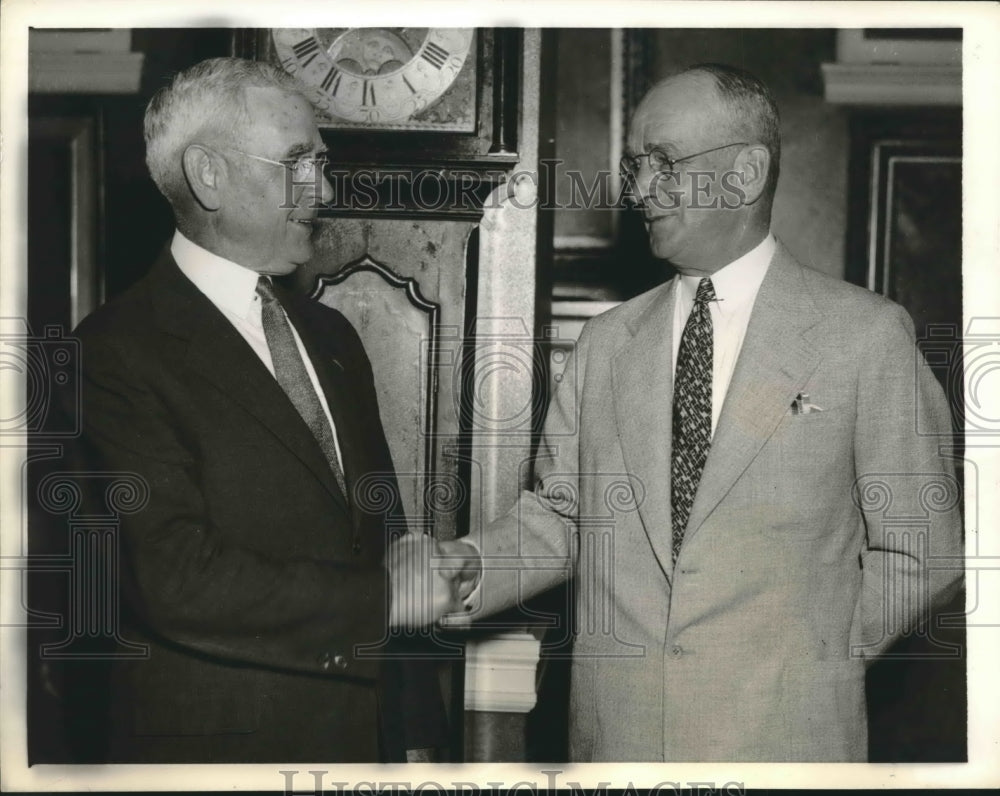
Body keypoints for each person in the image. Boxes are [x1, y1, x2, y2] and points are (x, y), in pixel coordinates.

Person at [459, 63, 963, 761]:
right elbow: (565, 517)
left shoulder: (864, 337)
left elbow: (922, 549)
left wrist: (812, 662)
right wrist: (465, 569)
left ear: (746, 174)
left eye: (663, 162)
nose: (638, 189)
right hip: (616, 748)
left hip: (785, 749)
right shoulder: (607, 344)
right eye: (636, 166)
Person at [69, 57, 466, 763]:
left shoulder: (331, 336)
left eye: (322, 162)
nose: (324, 187)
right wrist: (383, 603)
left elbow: (381, 542)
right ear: (208, 174)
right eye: (297, 162)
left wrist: (415, 735)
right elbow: (176, 578)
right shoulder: (112, 353)